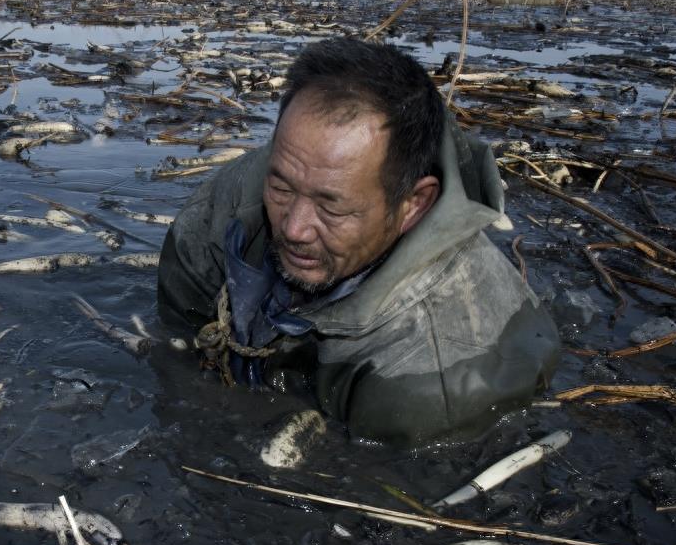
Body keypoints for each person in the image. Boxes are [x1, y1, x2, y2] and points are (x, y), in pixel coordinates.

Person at [157, 38, 560, 446]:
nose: (294, 228)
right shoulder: (236, 195)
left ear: (413, 205)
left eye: (332, 208)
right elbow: (178, 326)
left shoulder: (425, 382)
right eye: (281, 187)